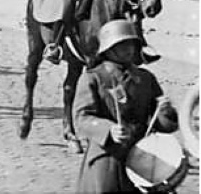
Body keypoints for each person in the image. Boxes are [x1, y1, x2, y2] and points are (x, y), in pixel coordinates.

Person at [72, 19, 178, 193]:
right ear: (108, 49)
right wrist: (109, 130)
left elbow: (161, 124)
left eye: (132, 44)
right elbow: (81, 118)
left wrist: (166, 112)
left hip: (141, 158)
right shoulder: (93, 78)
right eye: (122, 45)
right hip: (107, 159)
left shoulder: (146, 78)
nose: (129, 49)